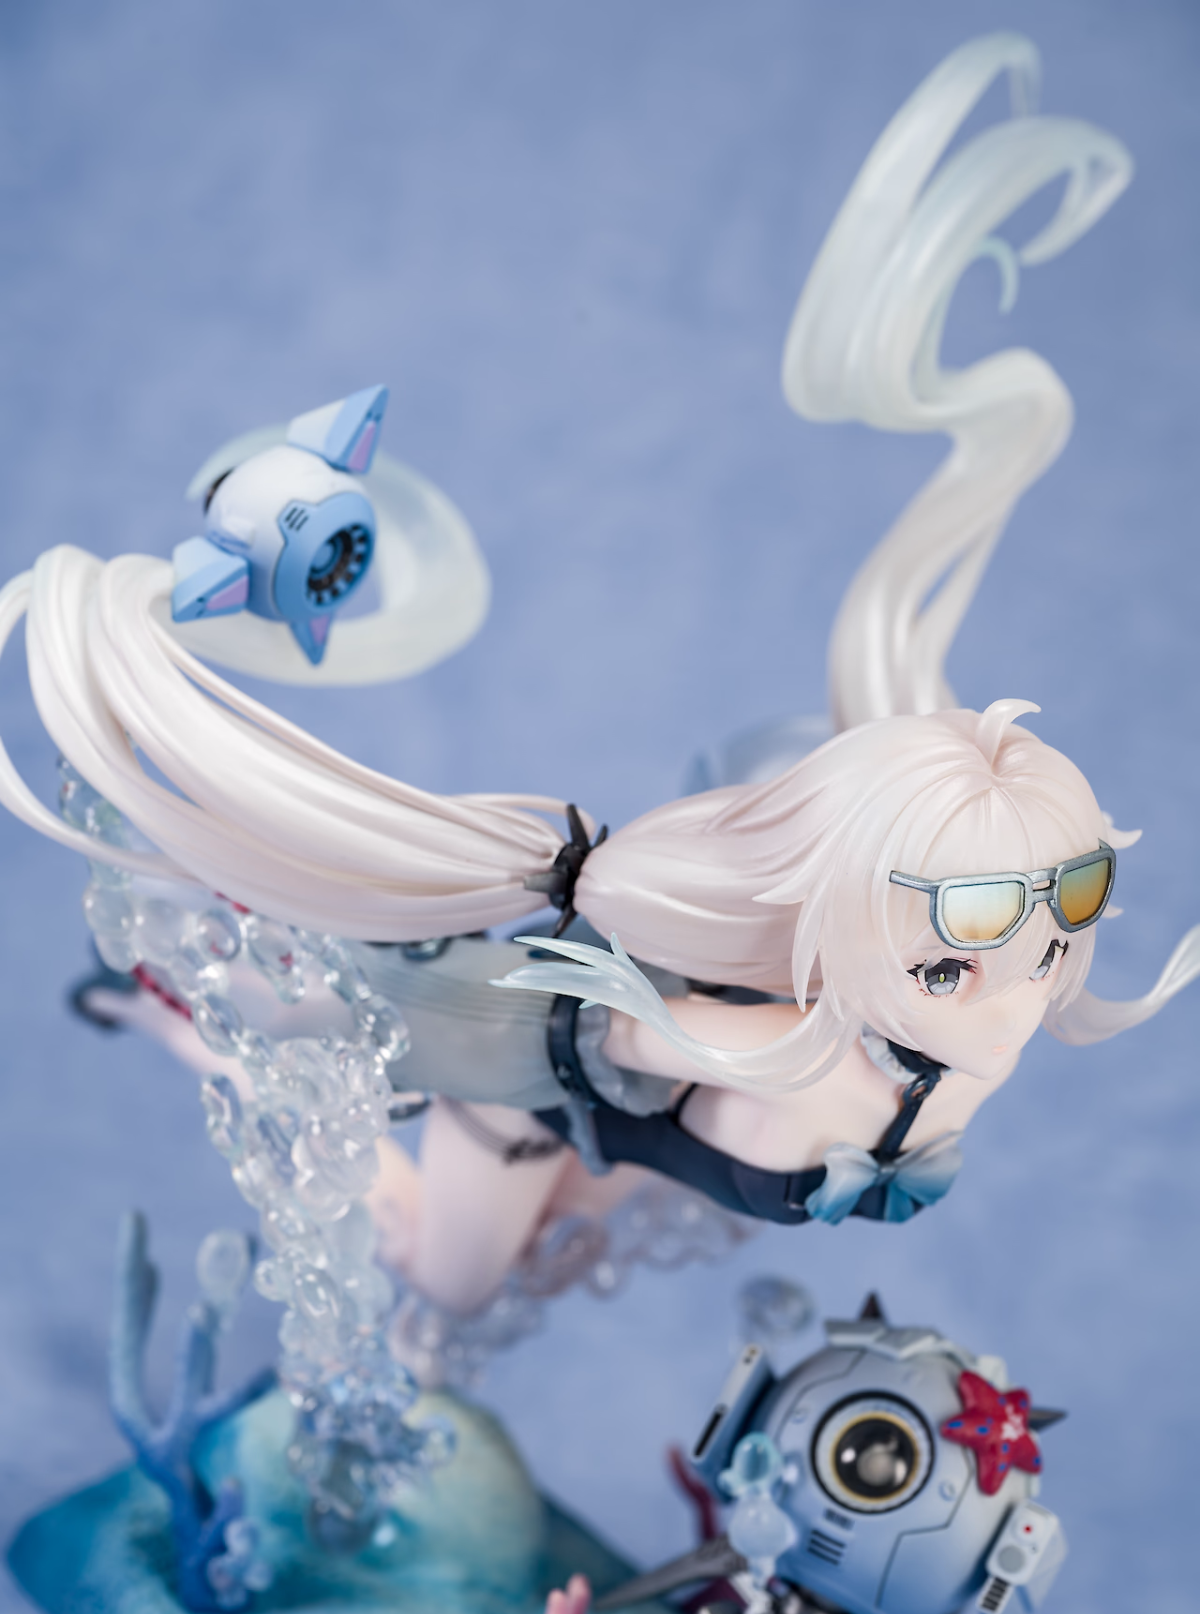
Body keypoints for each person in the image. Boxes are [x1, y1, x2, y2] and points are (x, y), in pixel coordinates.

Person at [0, 36, 1195, 1318]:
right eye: (957, 962)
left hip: (637, 1122)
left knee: (557, 1231)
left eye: (1060, 927)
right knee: (447, 1281)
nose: (1018, 998)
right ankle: (195, 1022)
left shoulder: (915, 1009)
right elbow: (628, 1024)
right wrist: (617, 910)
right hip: (522, 1104)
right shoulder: (781, 1046)